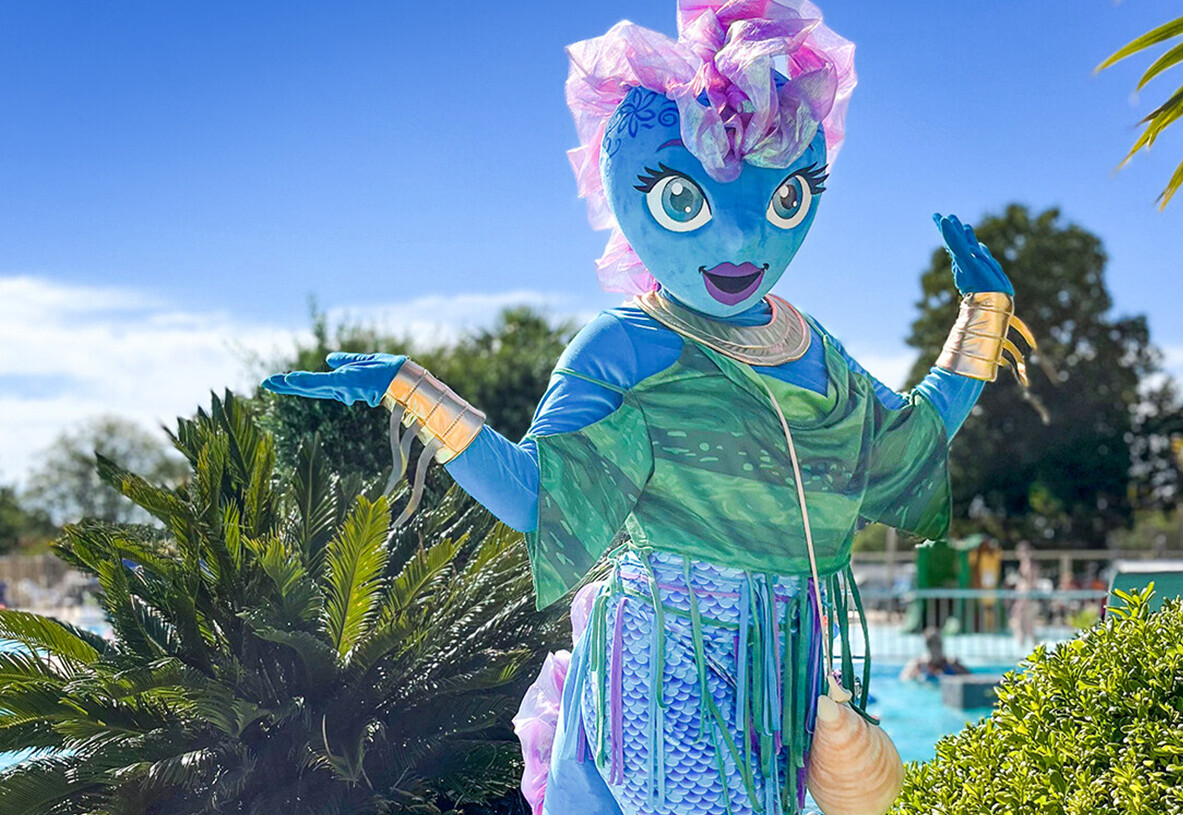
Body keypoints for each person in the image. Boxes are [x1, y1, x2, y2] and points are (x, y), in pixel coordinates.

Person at [263, 2, 1035, 813]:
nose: (739, 241)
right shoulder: (626, 345)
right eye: (683, 200)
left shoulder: (809, 343)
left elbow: (901, 443)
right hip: (670, 661)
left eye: (782, 200)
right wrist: (412, 389)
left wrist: (982, 318)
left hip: (786, 673)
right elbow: (537, 495)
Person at [900, 628, 970, 682]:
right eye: (934, 644)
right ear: (928, 646)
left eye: (939, 644)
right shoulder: (918, 665)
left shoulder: (951, 664)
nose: (938, 648)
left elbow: (970, 679)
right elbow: (904, 680)